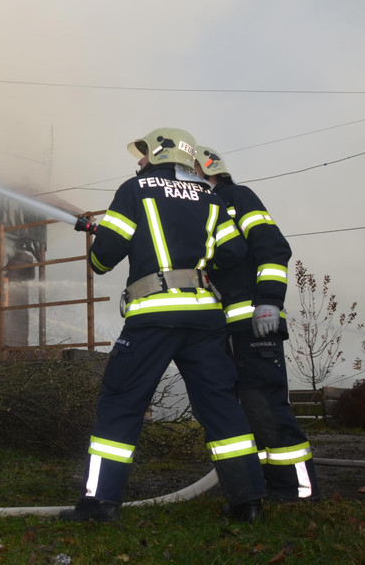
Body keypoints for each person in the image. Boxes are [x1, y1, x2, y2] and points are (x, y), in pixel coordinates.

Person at [60, 127, 267, 523]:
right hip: (204, 317)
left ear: (158, 152)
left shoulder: (134, 190)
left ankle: (100, 504)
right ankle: (248, 503)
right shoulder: (210, 197)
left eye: (142, 154)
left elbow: (103, 258)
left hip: (153, 316)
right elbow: (232, 251)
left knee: (121, 403)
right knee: (221, 405)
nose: (138, 161)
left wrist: (108, 239)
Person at [196, 145, 317, 501]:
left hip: (255, 324)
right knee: (241, 413)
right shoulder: (200, 209)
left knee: (264, 407)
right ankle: (261, 485)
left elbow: (273, 248)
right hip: (222, 331)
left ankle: (298, 490)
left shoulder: (236, 197)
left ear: (206, 170)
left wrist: (268, 301)